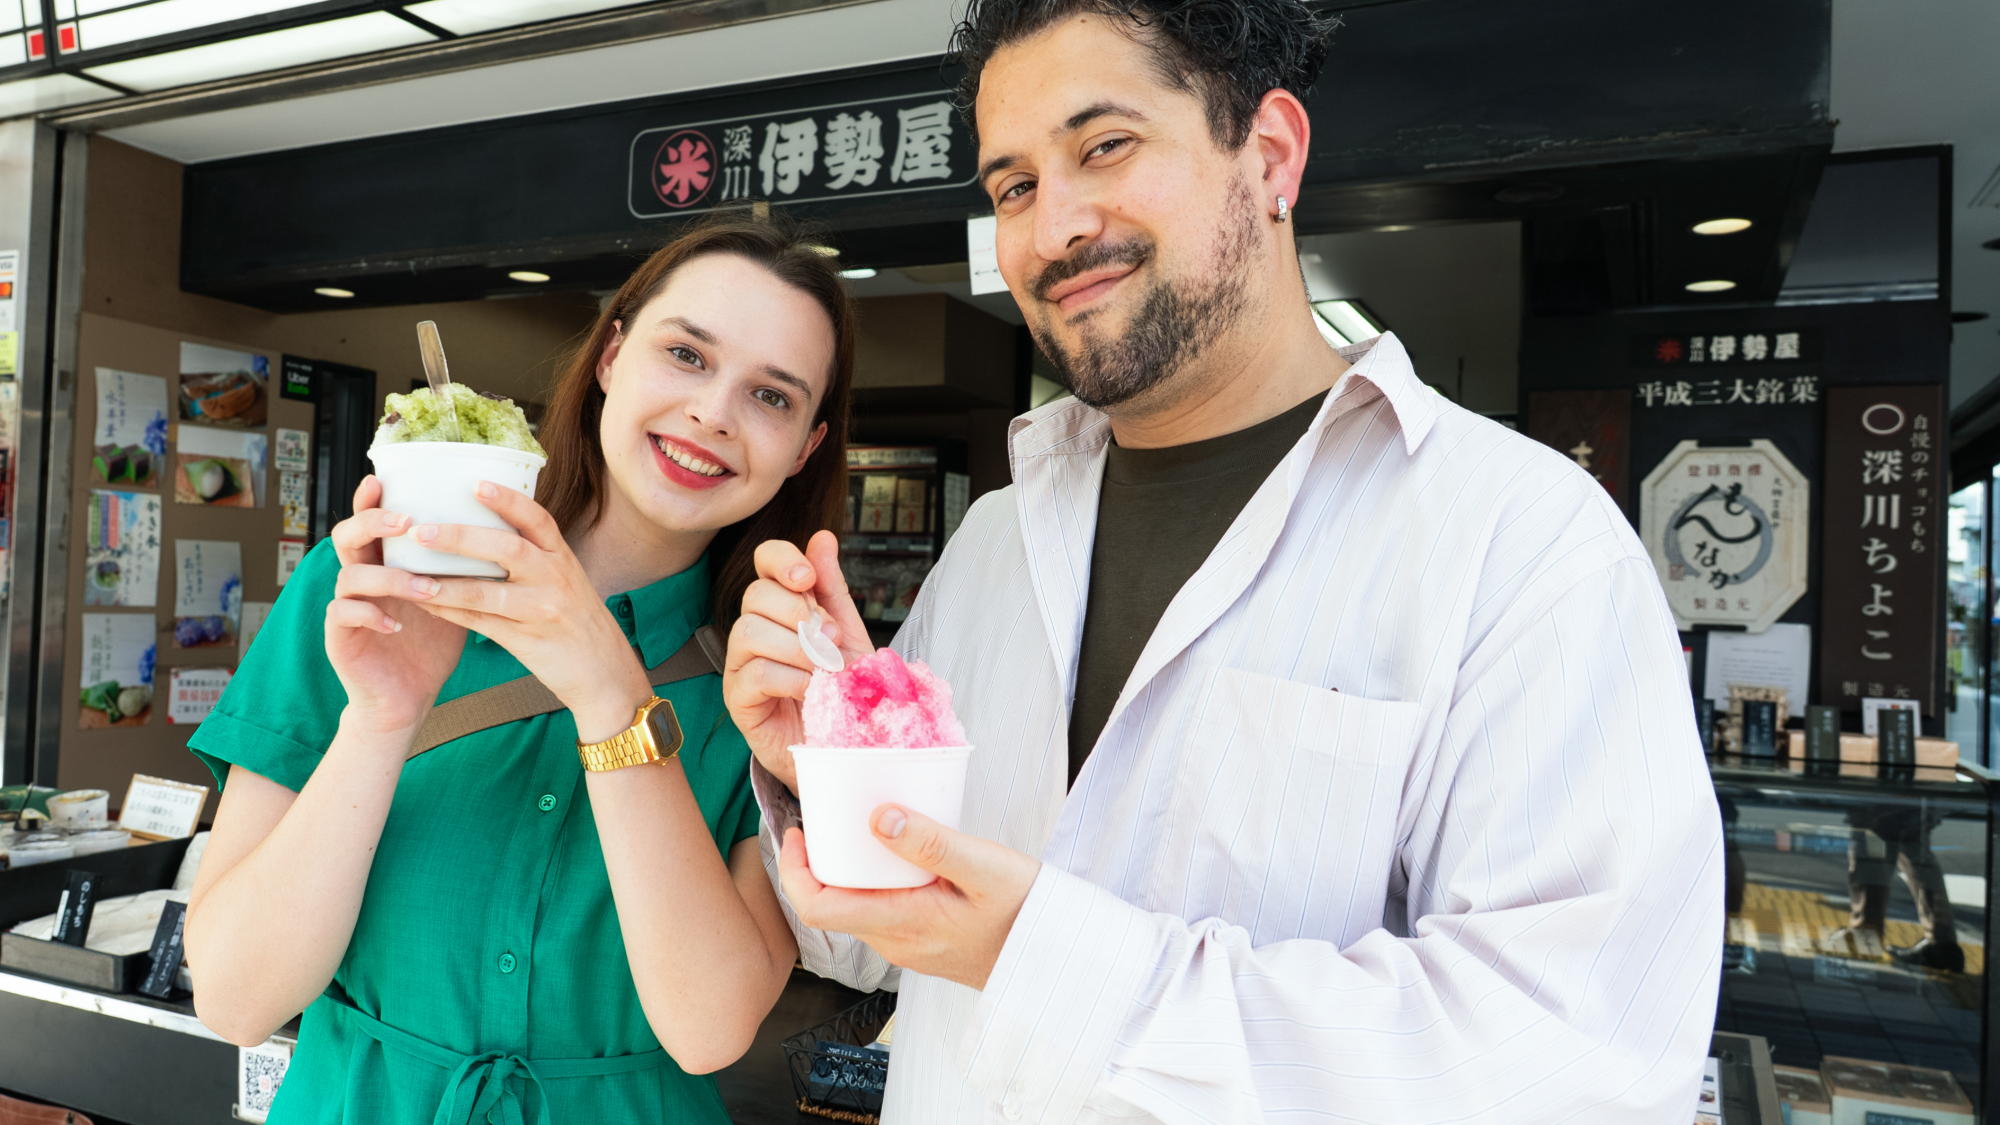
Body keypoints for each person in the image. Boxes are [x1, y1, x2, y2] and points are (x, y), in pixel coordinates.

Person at [723, 2, 1725, 1121]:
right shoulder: (994, 543)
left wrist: (1046, 960)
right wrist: (837, 772)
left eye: (1103, 146)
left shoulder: (1520, 541)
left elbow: (1572, 1064)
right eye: (1010, 187)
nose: (1051, 228)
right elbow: (860, 948)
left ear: (1269, 154)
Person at [184, 216, 855, 1123]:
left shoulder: (780, 684)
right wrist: (379, 718)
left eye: (772, 397)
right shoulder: (371, 583)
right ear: (612, 355)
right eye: (687, 355)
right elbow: (234, 998)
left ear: (806, 446)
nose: (713, 413)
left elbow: (709, 1027)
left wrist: (612, 695)